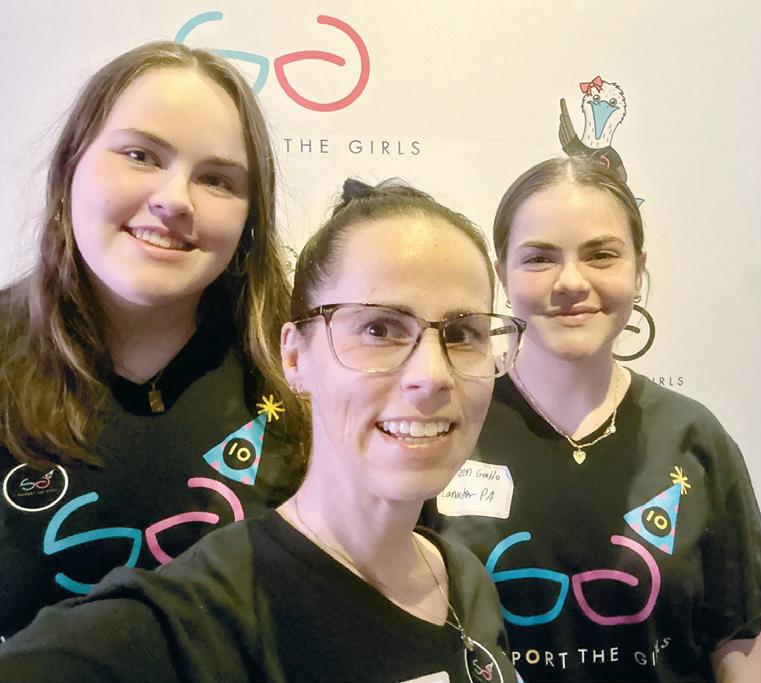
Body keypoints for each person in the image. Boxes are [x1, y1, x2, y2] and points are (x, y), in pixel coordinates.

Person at [0, 179, 526, 682]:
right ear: (295, 356)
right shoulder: (205, 617)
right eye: (379, 328)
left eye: (464, 334)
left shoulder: (464, 580)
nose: (432, 375)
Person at [422, 157, 761, 682]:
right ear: (502, 275)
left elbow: (740, 639)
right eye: (539, 258)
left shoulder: (693, 438)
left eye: (601, 255)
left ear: (638, 270)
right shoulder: (450, 427)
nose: (571, 281)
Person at [0, 41, 308, 642]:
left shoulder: (301, 371)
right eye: (140, 155)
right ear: (70, 168)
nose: (174, 200)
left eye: (217, 179)